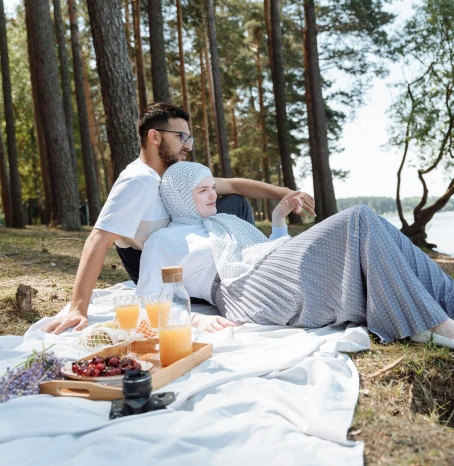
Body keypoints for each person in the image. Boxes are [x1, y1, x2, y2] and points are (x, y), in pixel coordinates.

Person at [138, 162, 454, 352]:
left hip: (266, 270)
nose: (213, 195)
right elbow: (147, 301)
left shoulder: (224, 220)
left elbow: (261, 252)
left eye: (213, 187)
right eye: (203, 191)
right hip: (244, 292)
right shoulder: (165, 240)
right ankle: (424, 322)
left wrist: (278, 221)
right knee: (358, 217)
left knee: (373, 225)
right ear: (178, 196)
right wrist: (191, 318)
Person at [44, 103, 314, 334]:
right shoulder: (137, 180)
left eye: (189, 138)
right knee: (231, 203)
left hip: (185, 250)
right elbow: (98, 238)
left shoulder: (174, 175)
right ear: (154, 137)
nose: (187, 145)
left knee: (234, 201)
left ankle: (253, 266)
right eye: (181, 136)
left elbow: (232, 184)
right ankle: (246, 280)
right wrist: (78, 308)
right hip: (157, 266)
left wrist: (287, 192)